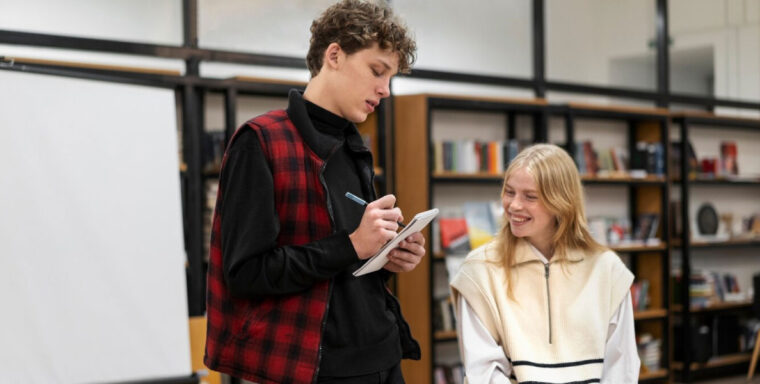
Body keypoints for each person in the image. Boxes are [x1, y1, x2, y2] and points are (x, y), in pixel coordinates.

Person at [203, 1, 422, 384]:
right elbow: (246, 274)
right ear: (334, 55)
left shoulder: (354, 146)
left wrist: (386, 255)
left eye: (390, 78)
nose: (385, 90)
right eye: (377, 71)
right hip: (317, 369)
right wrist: (352, 245)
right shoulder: (260, 142)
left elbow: (342, 269)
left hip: (384, 355)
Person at [450, 144, 640, 383]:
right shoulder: (478, 271)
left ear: (561, 202)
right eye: (509, 192)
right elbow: (483, 373)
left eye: (530, 196)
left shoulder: (607, 270)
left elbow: (621, 368)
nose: (514, 205)